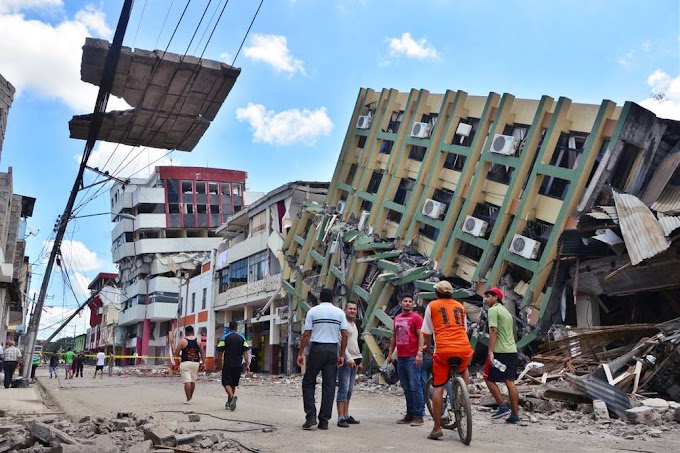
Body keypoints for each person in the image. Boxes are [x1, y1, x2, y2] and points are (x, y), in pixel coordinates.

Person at [420, 281, 475, 440]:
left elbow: (427, 332)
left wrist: (428, 347)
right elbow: (464, 329)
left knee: (438, 387)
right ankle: (464, 399)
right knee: (463, 367)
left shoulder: (433, 306)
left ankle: (437, 428)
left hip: (443, 349)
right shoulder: (460, 306)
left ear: (436, 293)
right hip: (463, 347)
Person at [297, 288, 348, 430]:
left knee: (308, 382)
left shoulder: (313, 311)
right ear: (333, 298)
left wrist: (300, 353)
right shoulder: (339, 313)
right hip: (332, 350)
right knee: (329, 385)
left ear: (320, 298)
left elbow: (307, 334)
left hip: (317, 349)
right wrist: (342, 354)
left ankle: (311, 416)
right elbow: (344, 335)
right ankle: (324, 420)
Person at [483, 287, 520, 424]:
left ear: (496, 297)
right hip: (511, 350)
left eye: (488, 296)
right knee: (510, 381)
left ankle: (503, 406)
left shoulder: (493, 310)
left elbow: (493, 331)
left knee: (487, 378)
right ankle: (515, 414)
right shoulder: (506, 312)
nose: (485, 299)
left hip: (500, 351)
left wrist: (490, 351)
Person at [387, 294, 425, 426]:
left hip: (412, 357)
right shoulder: (397, 318)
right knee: (406, 387)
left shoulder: (416, 318)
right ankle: (409, 414)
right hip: (401, 357)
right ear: (400, 303)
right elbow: (394, 337)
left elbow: (421, 336)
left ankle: (419, 415)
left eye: (410, 301)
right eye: (405, 301)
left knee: (415, 386)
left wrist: (419, 353)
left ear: (413, 304)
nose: (408, 303)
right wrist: (390, 354)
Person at [336, 301, 362, 428]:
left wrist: (358, 359)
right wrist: (348, 358)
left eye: (354, 309)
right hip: (346, 361)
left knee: (349, 390)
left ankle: (346, 415)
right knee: (343, 388)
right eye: (350, 308)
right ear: (345, 310)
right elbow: (341, 343)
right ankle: (340, 417)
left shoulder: (353, 324)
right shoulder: (343, 324)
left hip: (355, 360)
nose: (352, 311)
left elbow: (354, 343)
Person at [216, 321, 250, 411]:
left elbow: (220, 352)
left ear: (229, 328)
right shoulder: (242, 338)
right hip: (238, 364)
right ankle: (229, 402)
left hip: (228, 364)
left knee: (226, 383)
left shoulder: (225, 337)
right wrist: (247, 364)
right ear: (237, 328)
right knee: (233, 384)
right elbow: (245, 352)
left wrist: (219, 364)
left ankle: (231, 396)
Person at [174, 325, 205, 404]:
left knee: (187, 381)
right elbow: (202, 352)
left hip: (185, 362)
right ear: (193, 332)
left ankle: (188, 399)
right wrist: (203, 363)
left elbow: (176, 353)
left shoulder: (182, 341)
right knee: (192, 380)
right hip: (195, 363)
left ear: (186, 332)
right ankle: (190, 397)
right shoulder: (198, 341)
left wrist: (180, 357)